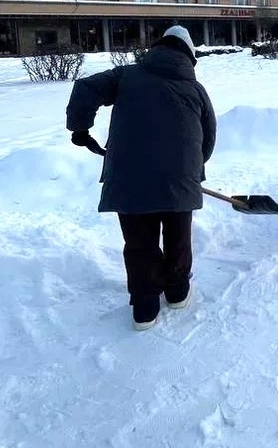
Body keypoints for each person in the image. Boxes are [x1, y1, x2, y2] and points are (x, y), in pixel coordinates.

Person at [66, 25, 217, 330]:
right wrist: (193, 168)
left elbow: (85, 88)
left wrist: (80, 129)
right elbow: (209, 135)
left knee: (139, 243)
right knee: (178, 238)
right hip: (179, 180)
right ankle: (176, 292)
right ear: (189, 55)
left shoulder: (126, 76)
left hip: (128, 178)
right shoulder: (195, 89)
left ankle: (145, 308)